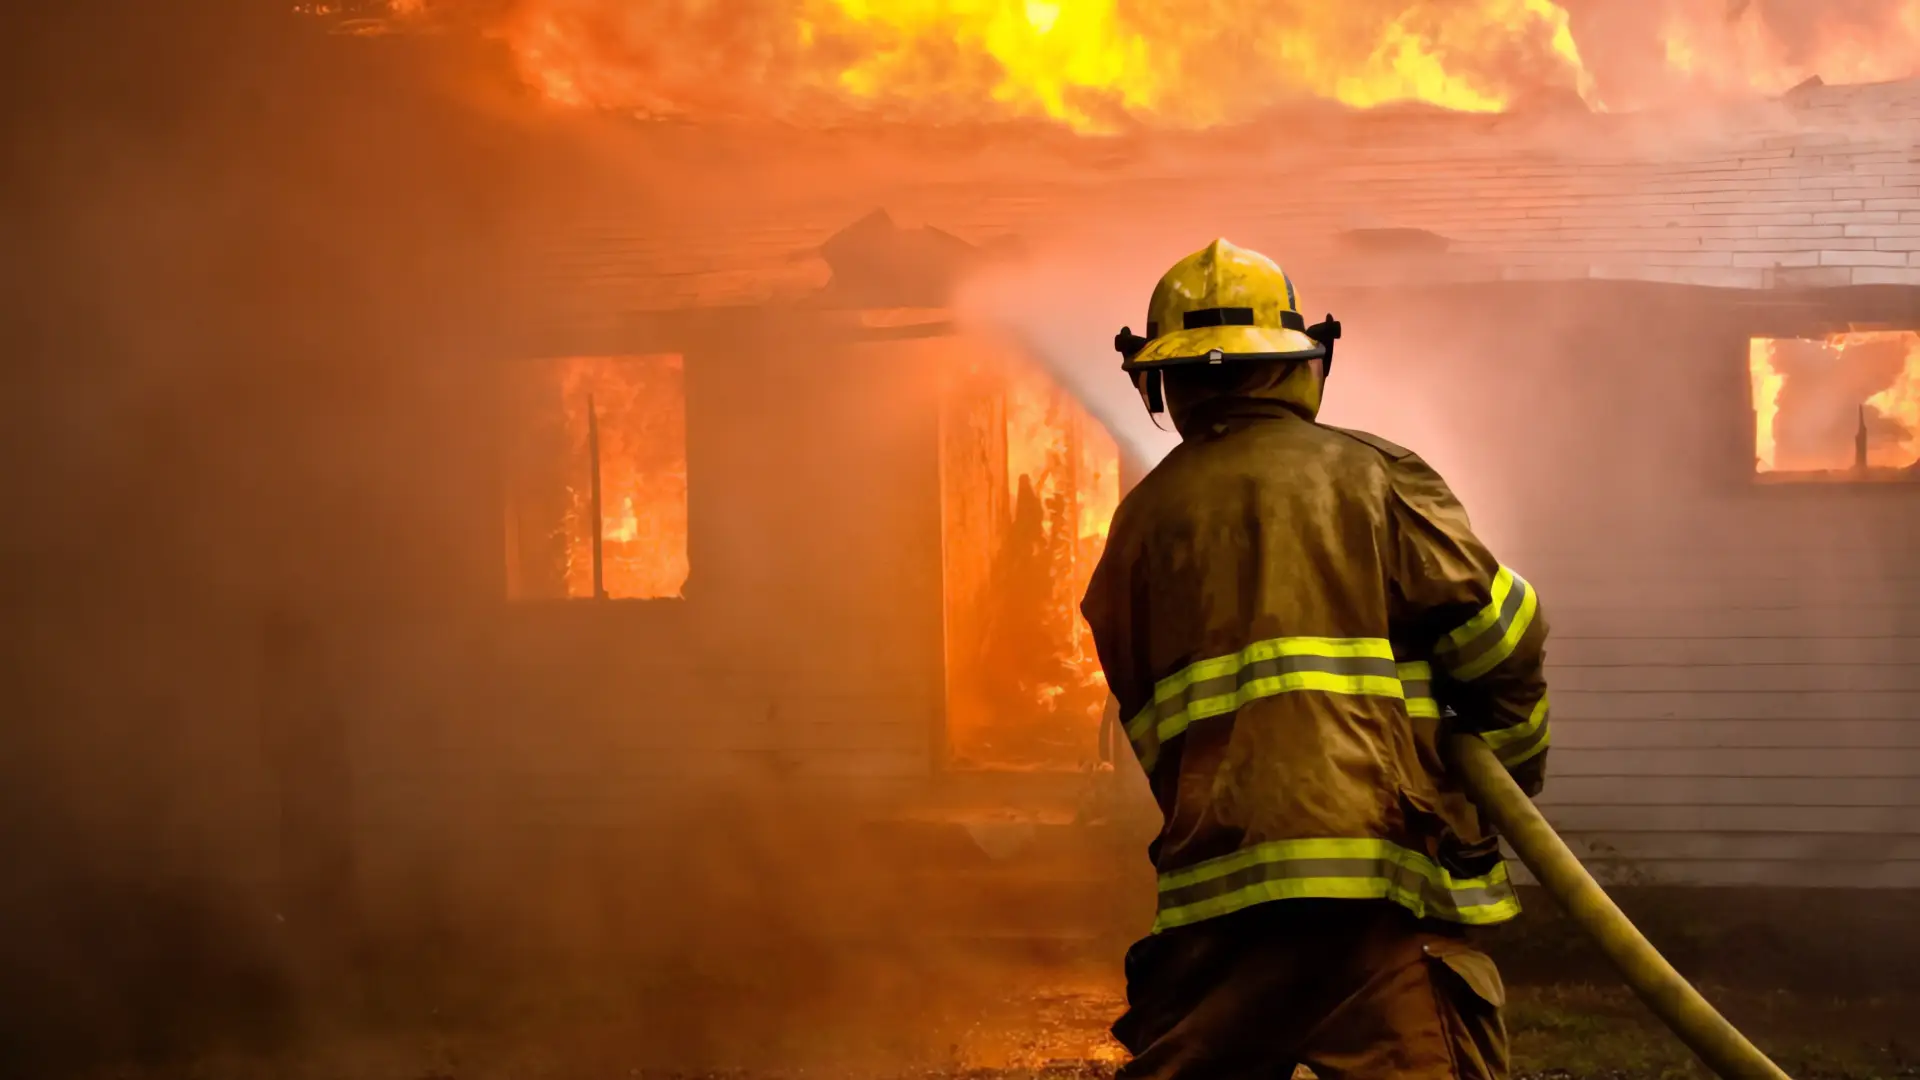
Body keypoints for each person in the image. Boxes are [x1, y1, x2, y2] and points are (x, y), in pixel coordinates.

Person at [1081, 239, 1552, 1080]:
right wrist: (1496, 782)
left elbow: (1151, 728)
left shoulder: (1136, 529)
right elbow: (1502, 637)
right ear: (1305, 363)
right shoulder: (1372, 475)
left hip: (1216, 898)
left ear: (1162, 382)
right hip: (1376, 886)